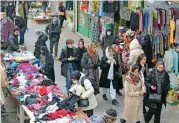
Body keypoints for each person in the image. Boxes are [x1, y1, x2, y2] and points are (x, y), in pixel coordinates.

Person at [0, 52, 8, 116]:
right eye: (2, 58)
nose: (3, 59)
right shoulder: (1, 68)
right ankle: (2, 111)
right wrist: (6, 84)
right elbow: (2, 82)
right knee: (1, 98)